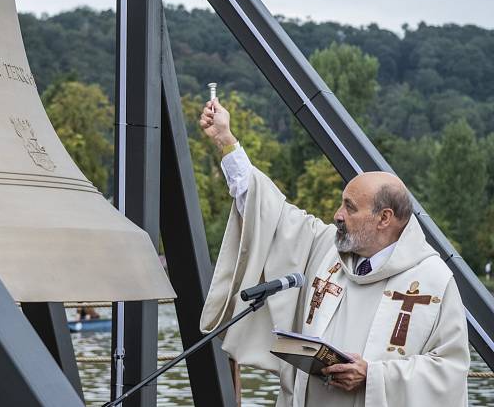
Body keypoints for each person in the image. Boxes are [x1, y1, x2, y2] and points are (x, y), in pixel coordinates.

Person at [198, 98, 469, 407]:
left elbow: (450, 370)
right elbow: (270, 214)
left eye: (350, 208)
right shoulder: (327, 248)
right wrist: (226, 141)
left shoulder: (432, 279)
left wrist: (373, 375)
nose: (337, 215)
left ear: (384, 218)